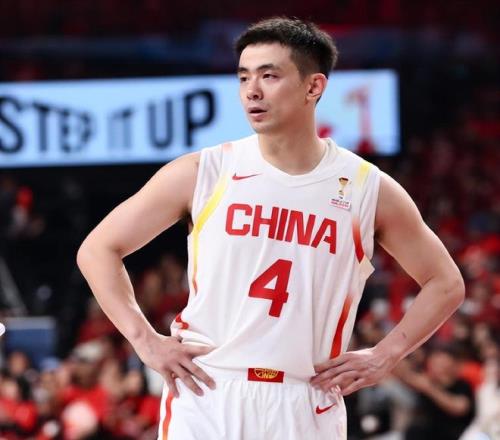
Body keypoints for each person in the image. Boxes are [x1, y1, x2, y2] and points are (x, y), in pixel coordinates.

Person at [77, 17, 465, 440]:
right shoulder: (205, 170)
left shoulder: (366, 187)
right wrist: (144, 340)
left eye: (269, 75)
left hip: (306, 396)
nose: (252, 90)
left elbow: (445, 283)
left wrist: (385, 355)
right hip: (209, 390)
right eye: (244, 77)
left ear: (313, 87)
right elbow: (98, 250)